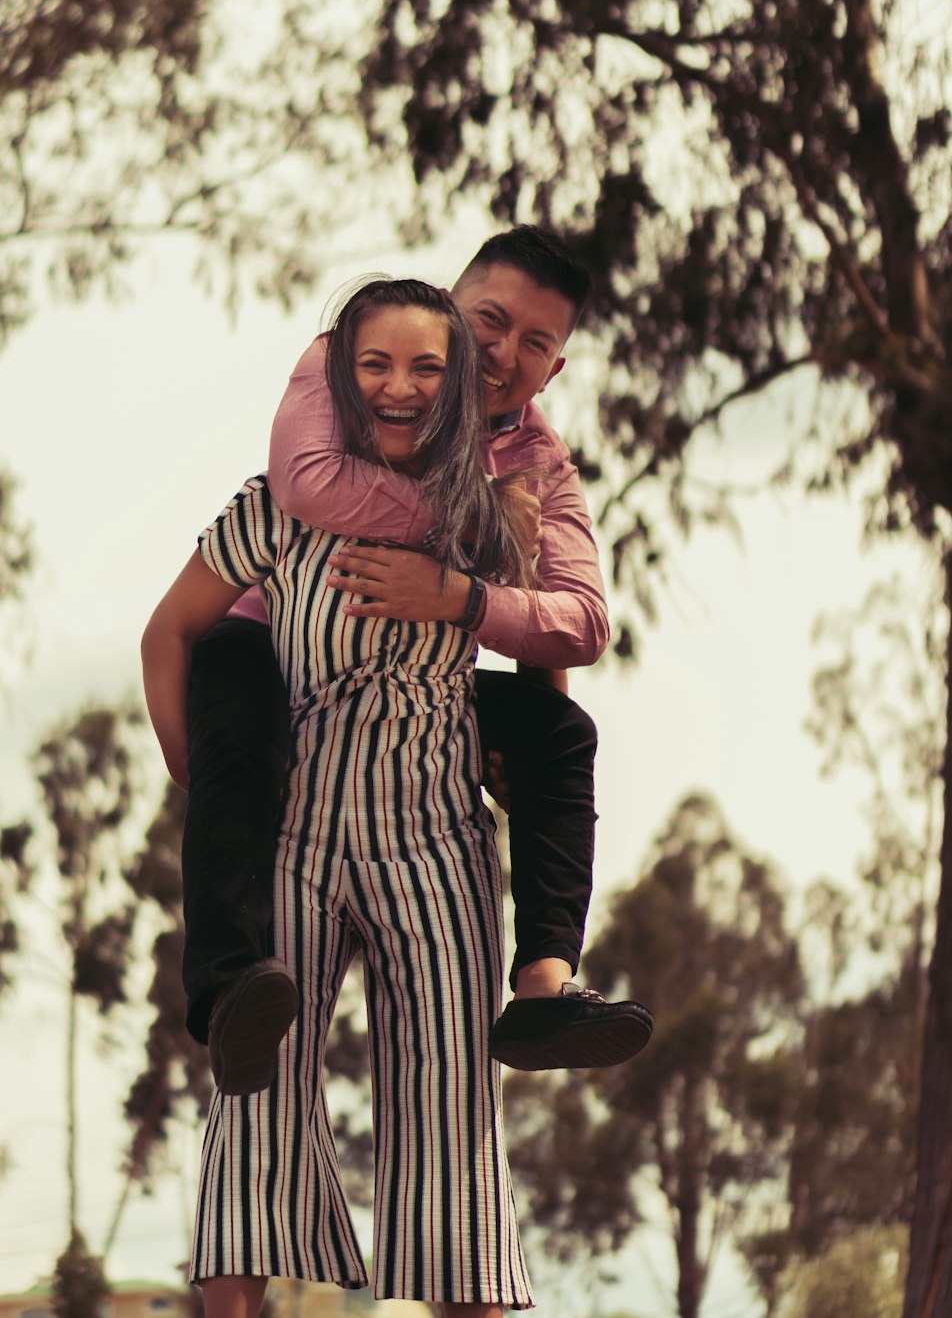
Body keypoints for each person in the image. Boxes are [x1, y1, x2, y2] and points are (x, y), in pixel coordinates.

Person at [143, 278, 552, 1315]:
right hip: (297, 842)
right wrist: (198, 780)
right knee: (254, 1105)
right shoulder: (279, 508)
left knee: (455, 1131)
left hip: (437, 847)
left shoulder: (488, 519)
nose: (400, 387)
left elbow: (550, 637)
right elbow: (169, 632)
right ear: (340, 376)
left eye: (426, 368)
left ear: (457, 382)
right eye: (375, 365)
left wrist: (529, 750)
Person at [183, 227, 654, 1095]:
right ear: (450, 307)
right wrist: (469, 530)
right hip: (273, 637)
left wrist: (466, 600)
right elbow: (303, 482)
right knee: (238, 723)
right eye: (491, 321)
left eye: (537, 343)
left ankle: (545, 984)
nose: (505, 353)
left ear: (555, 369)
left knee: (558, 728)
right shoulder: (352, 367)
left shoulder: (540, 466)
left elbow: (581, 623)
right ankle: (224, 982)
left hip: (416, 668)